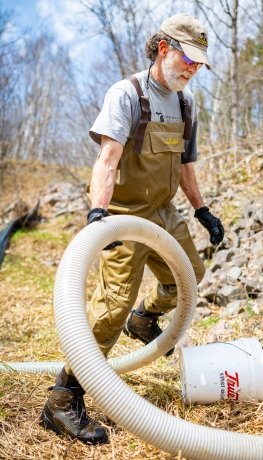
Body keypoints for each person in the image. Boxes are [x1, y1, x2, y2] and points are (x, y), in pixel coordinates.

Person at [40, 13, 224, 444]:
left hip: (164, 213)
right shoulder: (127, 94)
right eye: (187, 59)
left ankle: (146, 318)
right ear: (163, 48)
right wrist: (99, 216)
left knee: (189, 279)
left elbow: (185, 166)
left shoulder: (186, 103)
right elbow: (106, 160)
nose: (192, 69)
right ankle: (62, 400)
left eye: (199, 64)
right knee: (111, 308)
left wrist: (202, 210)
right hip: (124, 214)